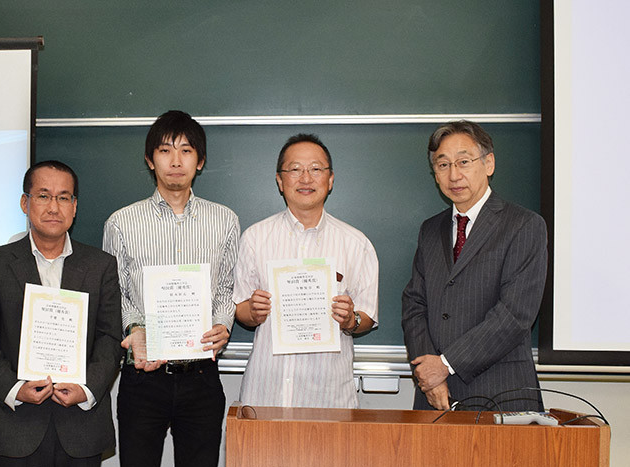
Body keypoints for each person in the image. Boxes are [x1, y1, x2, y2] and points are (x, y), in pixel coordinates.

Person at [102, 110, 239, 467]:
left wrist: (223, 325)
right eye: (165, 150)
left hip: (201, 378)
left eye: (186, 150)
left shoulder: (224, 220)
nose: (176, 161)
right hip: (143, 377)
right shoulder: (121, 222)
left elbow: (226, 288)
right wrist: (135, 329)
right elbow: (115, 292)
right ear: (150, 160)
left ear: (201, 160)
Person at [0, 160, 122, 467]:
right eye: (43, 196)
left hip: (81, 425)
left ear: (75, 207)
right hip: (15, 426)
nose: (54, 207)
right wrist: (15, 389)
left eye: (64, 197)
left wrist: (87, 388)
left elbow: (110, 338)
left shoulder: (101, 266)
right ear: (25, 202)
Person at [402, 120, 547, 412]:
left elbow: (515, 315)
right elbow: (414, 304)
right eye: (442, 165)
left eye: (464, 162)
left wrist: (445, 364)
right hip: (435, 396)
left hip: (501, 393)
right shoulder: (430, 230)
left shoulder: (524, 225)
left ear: (489, 163)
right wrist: (430, 375)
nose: (454, 174)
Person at [233, 133, 378, 408]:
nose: (306, 178)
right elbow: (240, 308)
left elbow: (368, 316)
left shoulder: (356, 243)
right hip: (265, 395)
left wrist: (350, 320)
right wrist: (252, 311)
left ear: (330, 179)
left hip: (330, 397)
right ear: (280, 180)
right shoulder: (255, 238)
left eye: (315, 169)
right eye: (295, 169)